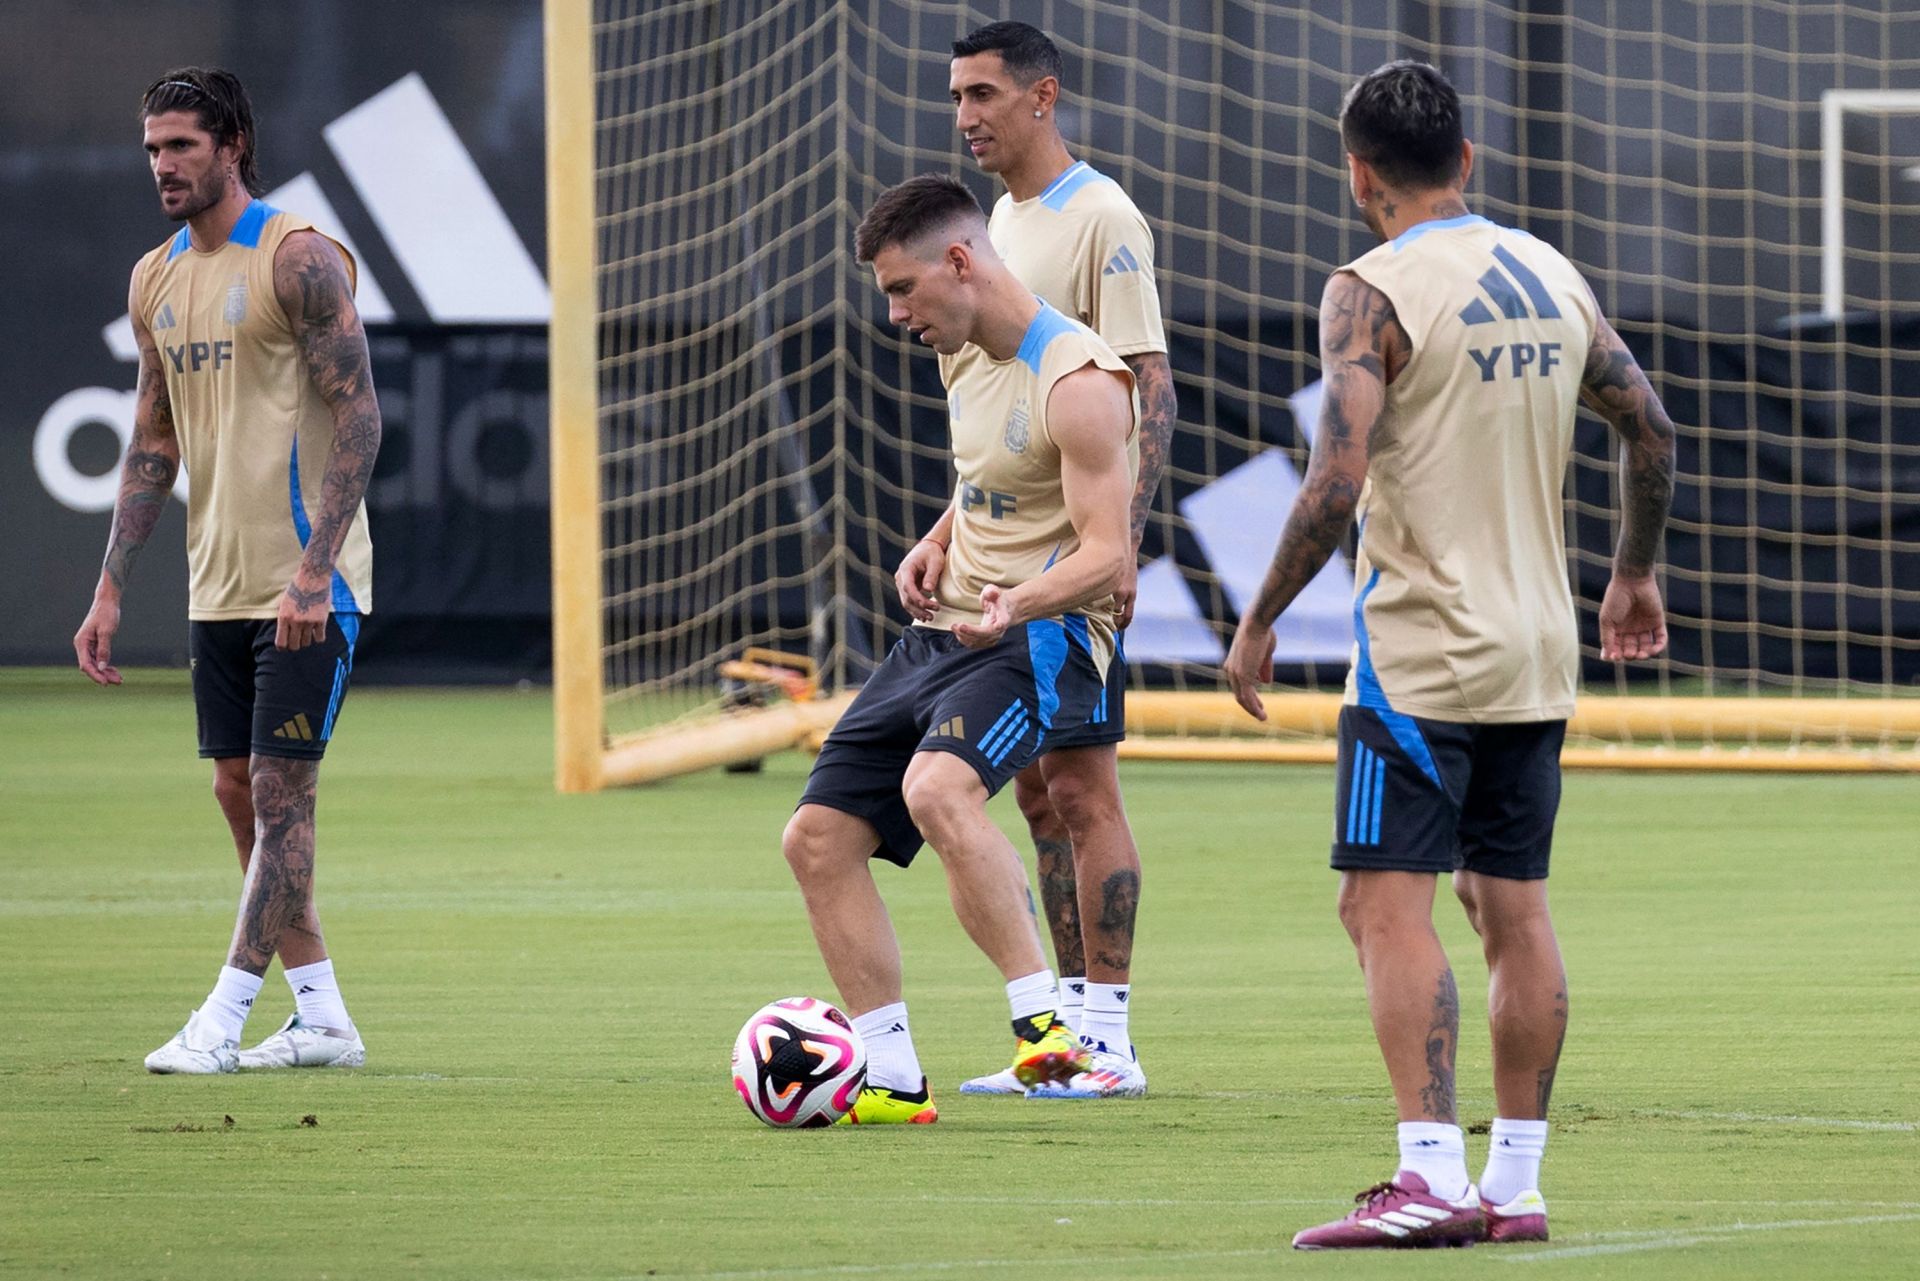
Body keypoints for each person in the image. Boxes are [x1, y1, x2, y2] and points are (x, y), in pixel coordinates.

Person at [1221, 62, 1674, 1247]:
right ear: (1466, 161)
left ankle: (1427, 1174)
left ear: (1357, 172)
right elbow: (1653, 428)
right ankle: (1514, 1185)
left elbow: (1336, 478)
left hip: (1420, 656)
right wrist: (1632, 570)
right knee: (1510, 904)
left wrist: (1262, 615)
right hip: (1538, 650)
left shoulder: (1368, 288)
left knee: (1380, 905)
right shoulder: (1550, 272)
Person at [784, 173, 1140, 1124]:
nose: (897, 314)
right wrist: (941, 537)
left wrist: (1017, 599)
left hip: (1041, 635)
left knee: (937, 787)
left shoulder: (1081, 380)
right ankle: (891, 1074)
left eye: (903, 291)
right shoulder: (964, 352)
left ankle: (1051, 1036)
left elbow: (1107, 554)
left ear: (959, 261)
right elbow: (990, 476)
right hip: (943, 628)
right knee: (815, 841)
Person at [74, 68, 381, 1074]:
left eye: (182, 147)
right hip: (217, 582)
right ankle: (324, 1017)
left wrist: (312, 570)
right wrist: (113, 583)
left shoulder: (296, 256)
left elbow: (362, 416)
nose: (163, 164)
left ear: (233, 145)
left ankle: (221, 1016)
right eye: (153, 147)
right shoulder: (153, 276)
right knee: (237, 792)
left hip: (309, 585)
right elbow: (153, 438)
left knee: (284, 791)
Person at [904, 20, 1176, 1100]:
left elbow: (1144, 384)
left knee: (1082, 786)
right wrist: (942, 532)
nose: (965, 116)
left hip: (1071, 565)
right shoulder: (993, 225)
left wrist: (1126, 543)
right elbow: (1000, 422)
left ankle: (1106, 1036)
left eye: (982, 94)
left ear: (1043, 96)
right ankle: (1065, 1035)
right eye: (957, 97)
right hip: (1000, 561)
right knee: (1033, 796)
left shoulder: (1098, 216)